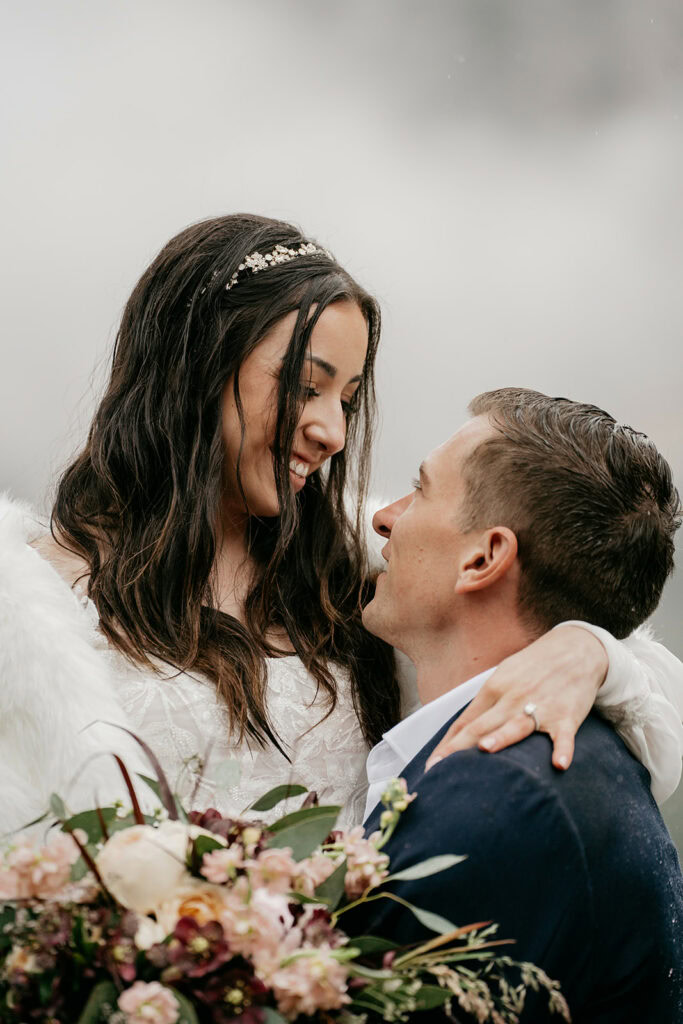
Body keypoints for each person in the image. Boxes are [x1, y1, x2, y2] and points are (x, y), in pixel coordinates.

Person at [0, 216, 681, 832]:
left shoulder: (362, 574)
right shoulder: (31, 614)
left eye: (348, 401)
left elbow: (643, 702)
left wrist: (590, 654)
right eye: (303, 384)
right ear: (195, 367)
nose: (331, 431)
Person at [357, 388, 683, 1022]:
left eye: (419, 490)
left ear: (483, 558)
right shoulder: (578, 756)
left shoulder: (491, 805)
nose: (384, 518)